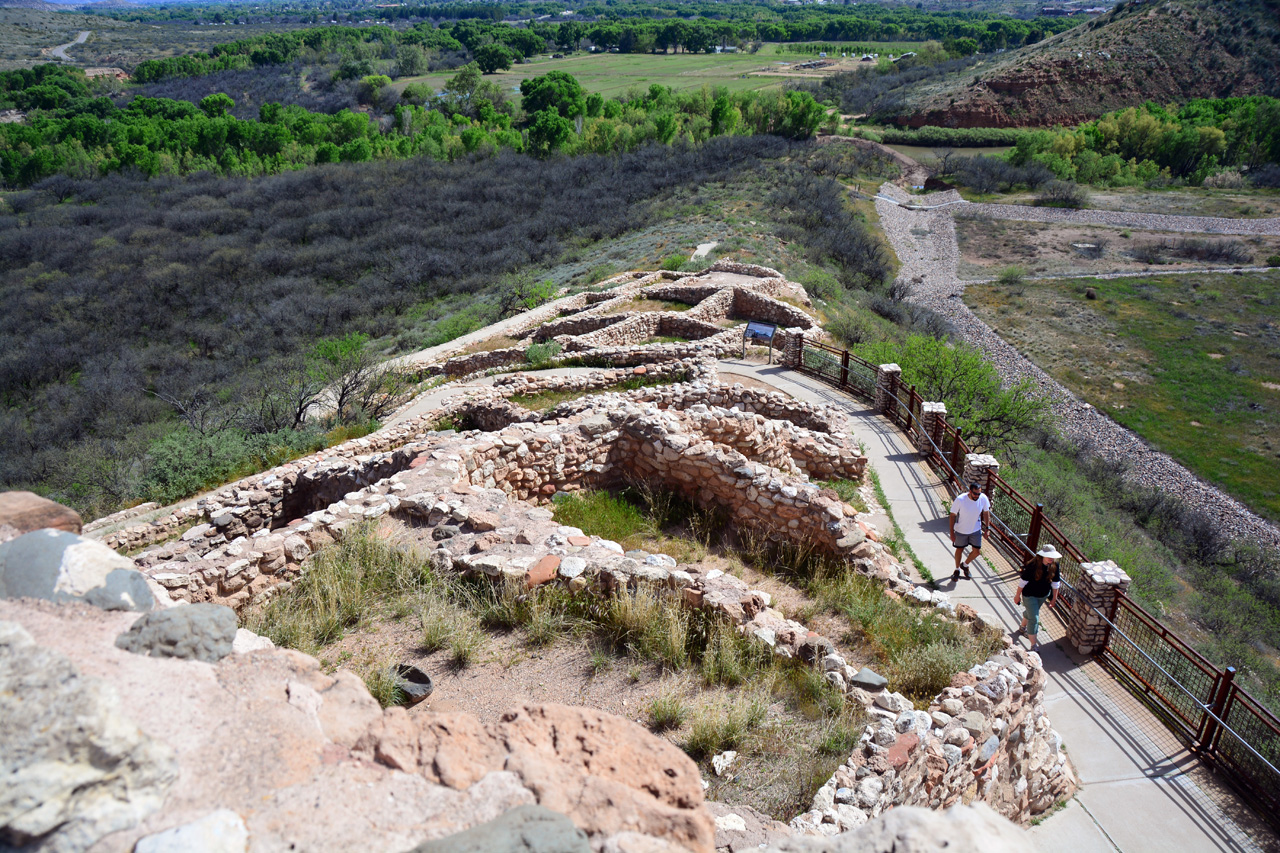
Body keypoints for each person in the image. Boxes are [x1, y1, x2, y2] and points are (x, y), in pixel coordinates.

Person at [1014, 545, 1062, 651]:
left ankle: (1022, 628)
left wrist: (1054, 598)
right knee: (1034, 618)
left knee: (1031, 612)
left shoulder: (1055, 565)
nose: (1050, 558)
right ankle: (1033, 645)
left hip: (1043, 595)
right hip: (1029, 595)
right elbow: (1023, 582)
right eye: (1048, 556)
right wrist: (1017, 596)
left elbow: (1056, 583)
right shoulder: (1032, 565)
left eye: (1052, 556)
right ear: (1042, 555)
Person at [949, 482, 990, 581]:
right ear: (970, 491)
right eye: (975, 493)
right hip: (961, 530)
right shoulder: (960, 499)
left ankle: (965, 565)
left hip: (975, 529)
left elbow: (986, 512)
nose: (977, 496)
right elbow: (952, 515)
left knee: (976, 552)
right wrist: (951, 532)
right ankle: (957, 569)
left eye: (978, 494)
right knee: (959, 549)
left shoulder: (983, 498)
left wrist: (987, 528)